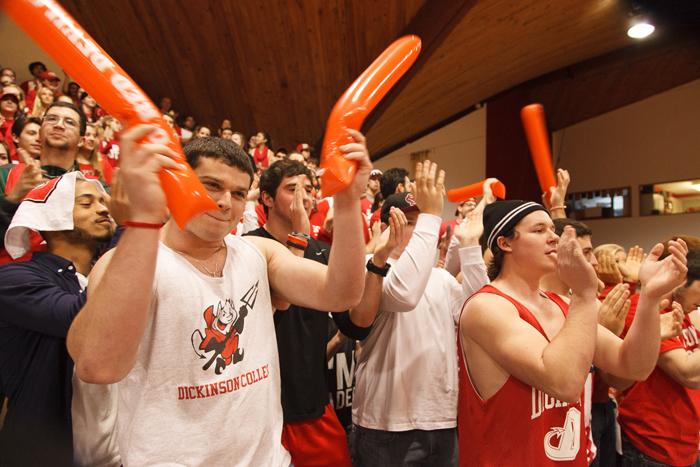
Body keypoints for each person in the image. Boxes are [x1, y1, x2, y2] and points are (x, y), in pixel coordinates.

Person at [66, 128, 372, 465]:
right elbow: (98, 367)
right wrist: (142, 224)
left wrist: (347, 202)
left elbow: (341, 293)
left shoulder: (259, 252)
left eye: (239, 193)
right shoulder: (128, 262)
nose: (226, 201)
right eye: (211, 185)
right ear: (176, 183)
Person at [457, 199, 688, 466]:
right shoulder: (486, 307)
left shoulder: (562, 304)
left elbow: (633, 365)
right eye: (539, 230)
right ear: (505, 243)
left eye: (552, 230)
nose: (553, 238)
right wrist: (584, 293)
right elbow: (563, 384)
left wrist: (649, 296)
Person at [246, 159, 386, 466]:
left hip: (314, 405)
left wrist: (378, 264)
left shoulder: (321, 251)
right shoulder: (248, 247)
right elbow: (274, 311)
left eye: (309, 189)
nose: (304, 197)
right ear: (267, 198)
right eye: (292, 189)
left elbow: (357, 325)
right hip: (263, 412)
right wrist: (298, 237)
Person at [352, 161, 491, 467]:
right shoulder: (369, 268)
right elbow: (404, 293)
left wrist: (469, 246)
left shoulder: (440, 279)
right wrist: (431, 215)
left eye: (422, 221)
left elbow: (483, 313)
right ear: (386, 228)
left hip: (441, 420)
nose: (420, 231)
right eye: (410, 222)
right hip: (386, 425)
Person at [0, 172, 115, 466]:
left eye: (104, 202)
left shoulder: (104, 273)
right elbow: (81, 318)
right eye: (86, 203)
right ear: (52, 218)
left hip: (119, 452)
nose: (103, 209)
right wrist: (137, 230)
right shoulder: (14, 278)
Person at [615, 242, 700, 467]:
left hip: (685, 441)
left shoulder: (684, 310)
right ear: (680, 280)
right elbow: (687, 373)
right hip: (653, 443)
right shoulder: (643, 309)